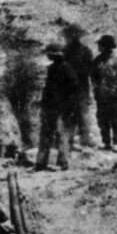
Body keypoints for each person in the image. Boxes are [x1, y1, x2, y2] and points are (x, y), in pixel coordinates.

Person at [35, 43, 79, 172]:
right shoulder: (52, 69)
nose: (48, 56)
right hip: (51, 106)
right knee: (48, 134)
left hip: (60, 108)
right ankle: (42, 162)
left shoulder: (66, 69)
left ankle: (62, 162)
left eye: (49, 54)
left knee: (59, 134)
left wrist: (68, 106)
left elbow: (73, 89)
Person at [90, 35, 117, 150]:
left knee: (115, 119)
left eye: (100, 45)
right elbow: (93, 76)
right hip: (101, 95)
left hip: (113, 95)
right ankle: (106, 142)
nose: (98, 47)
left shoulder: (115, 61)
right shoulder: (97, 60)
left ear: (106, 47)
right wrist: (96, 89)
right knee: (102, 119)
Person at [62, 25, 97, 147]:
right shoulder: (70, 51)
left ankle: (79, 139)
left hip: (76, 87)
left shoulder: (70, 51)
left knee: (78, 113)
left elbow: (90, 70)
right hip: (75, 87)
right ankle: (79, 139)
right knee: (79, 113)